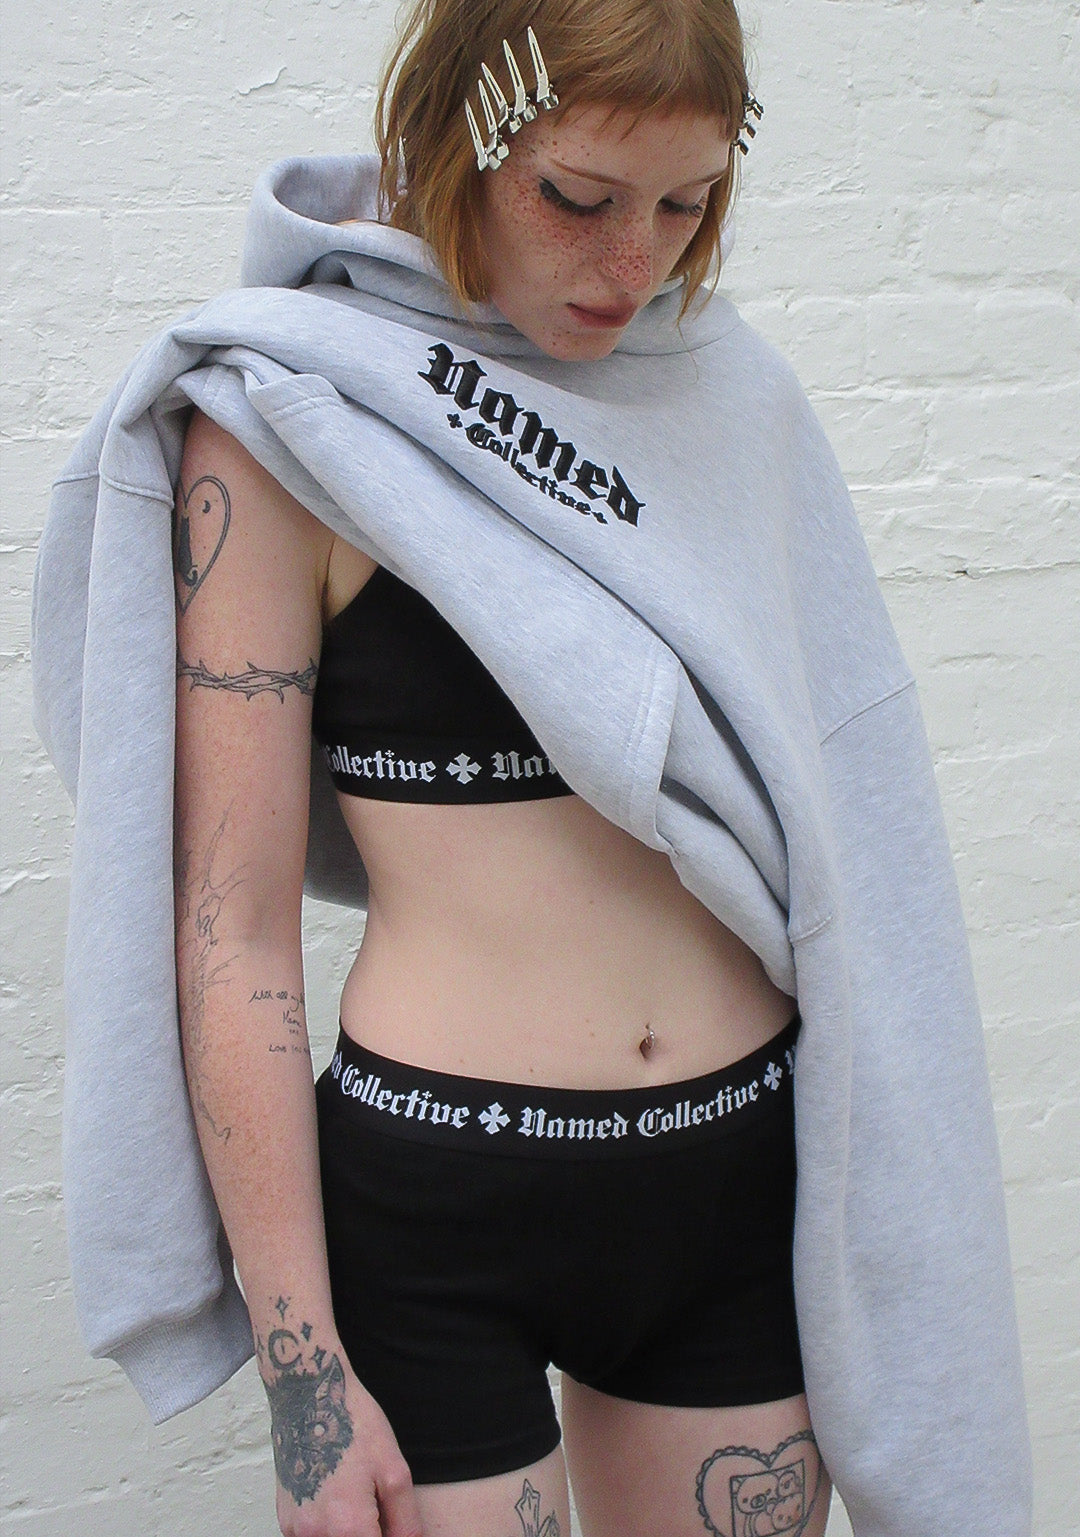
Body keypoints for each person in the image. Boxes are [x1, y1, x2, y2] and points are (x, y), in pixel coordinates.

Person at [32, 1, 1032, 1534]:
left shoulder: (729, 399)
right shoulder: (291, 423)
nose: (634, 263)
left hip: (732, 1189)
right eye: (579, 196)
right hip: (436, 1210)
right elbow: (230, 932)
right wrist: (303, 1371)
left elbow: (849, 812)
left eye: (686, 205)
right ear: (463, 137)